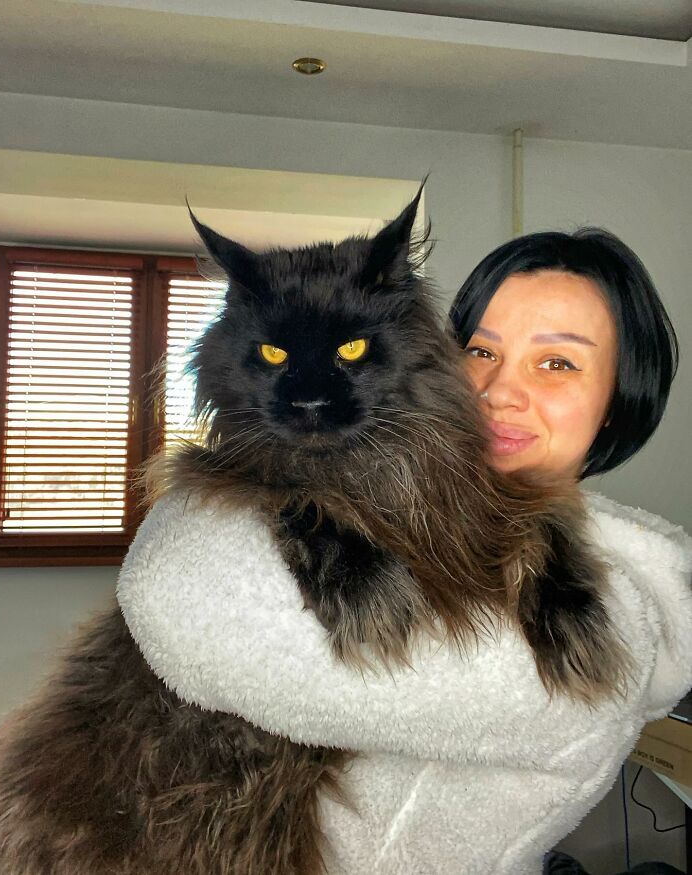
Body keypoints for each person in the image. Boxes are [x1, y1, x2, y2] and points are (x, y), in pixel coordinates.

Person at [118, 228, 692, 875]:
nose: (501, 390)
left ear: (619, 398)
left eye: (557, 362)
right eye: (480, 350)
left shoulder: (618, 608)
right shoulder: (418, 478)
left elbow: (178, 598)